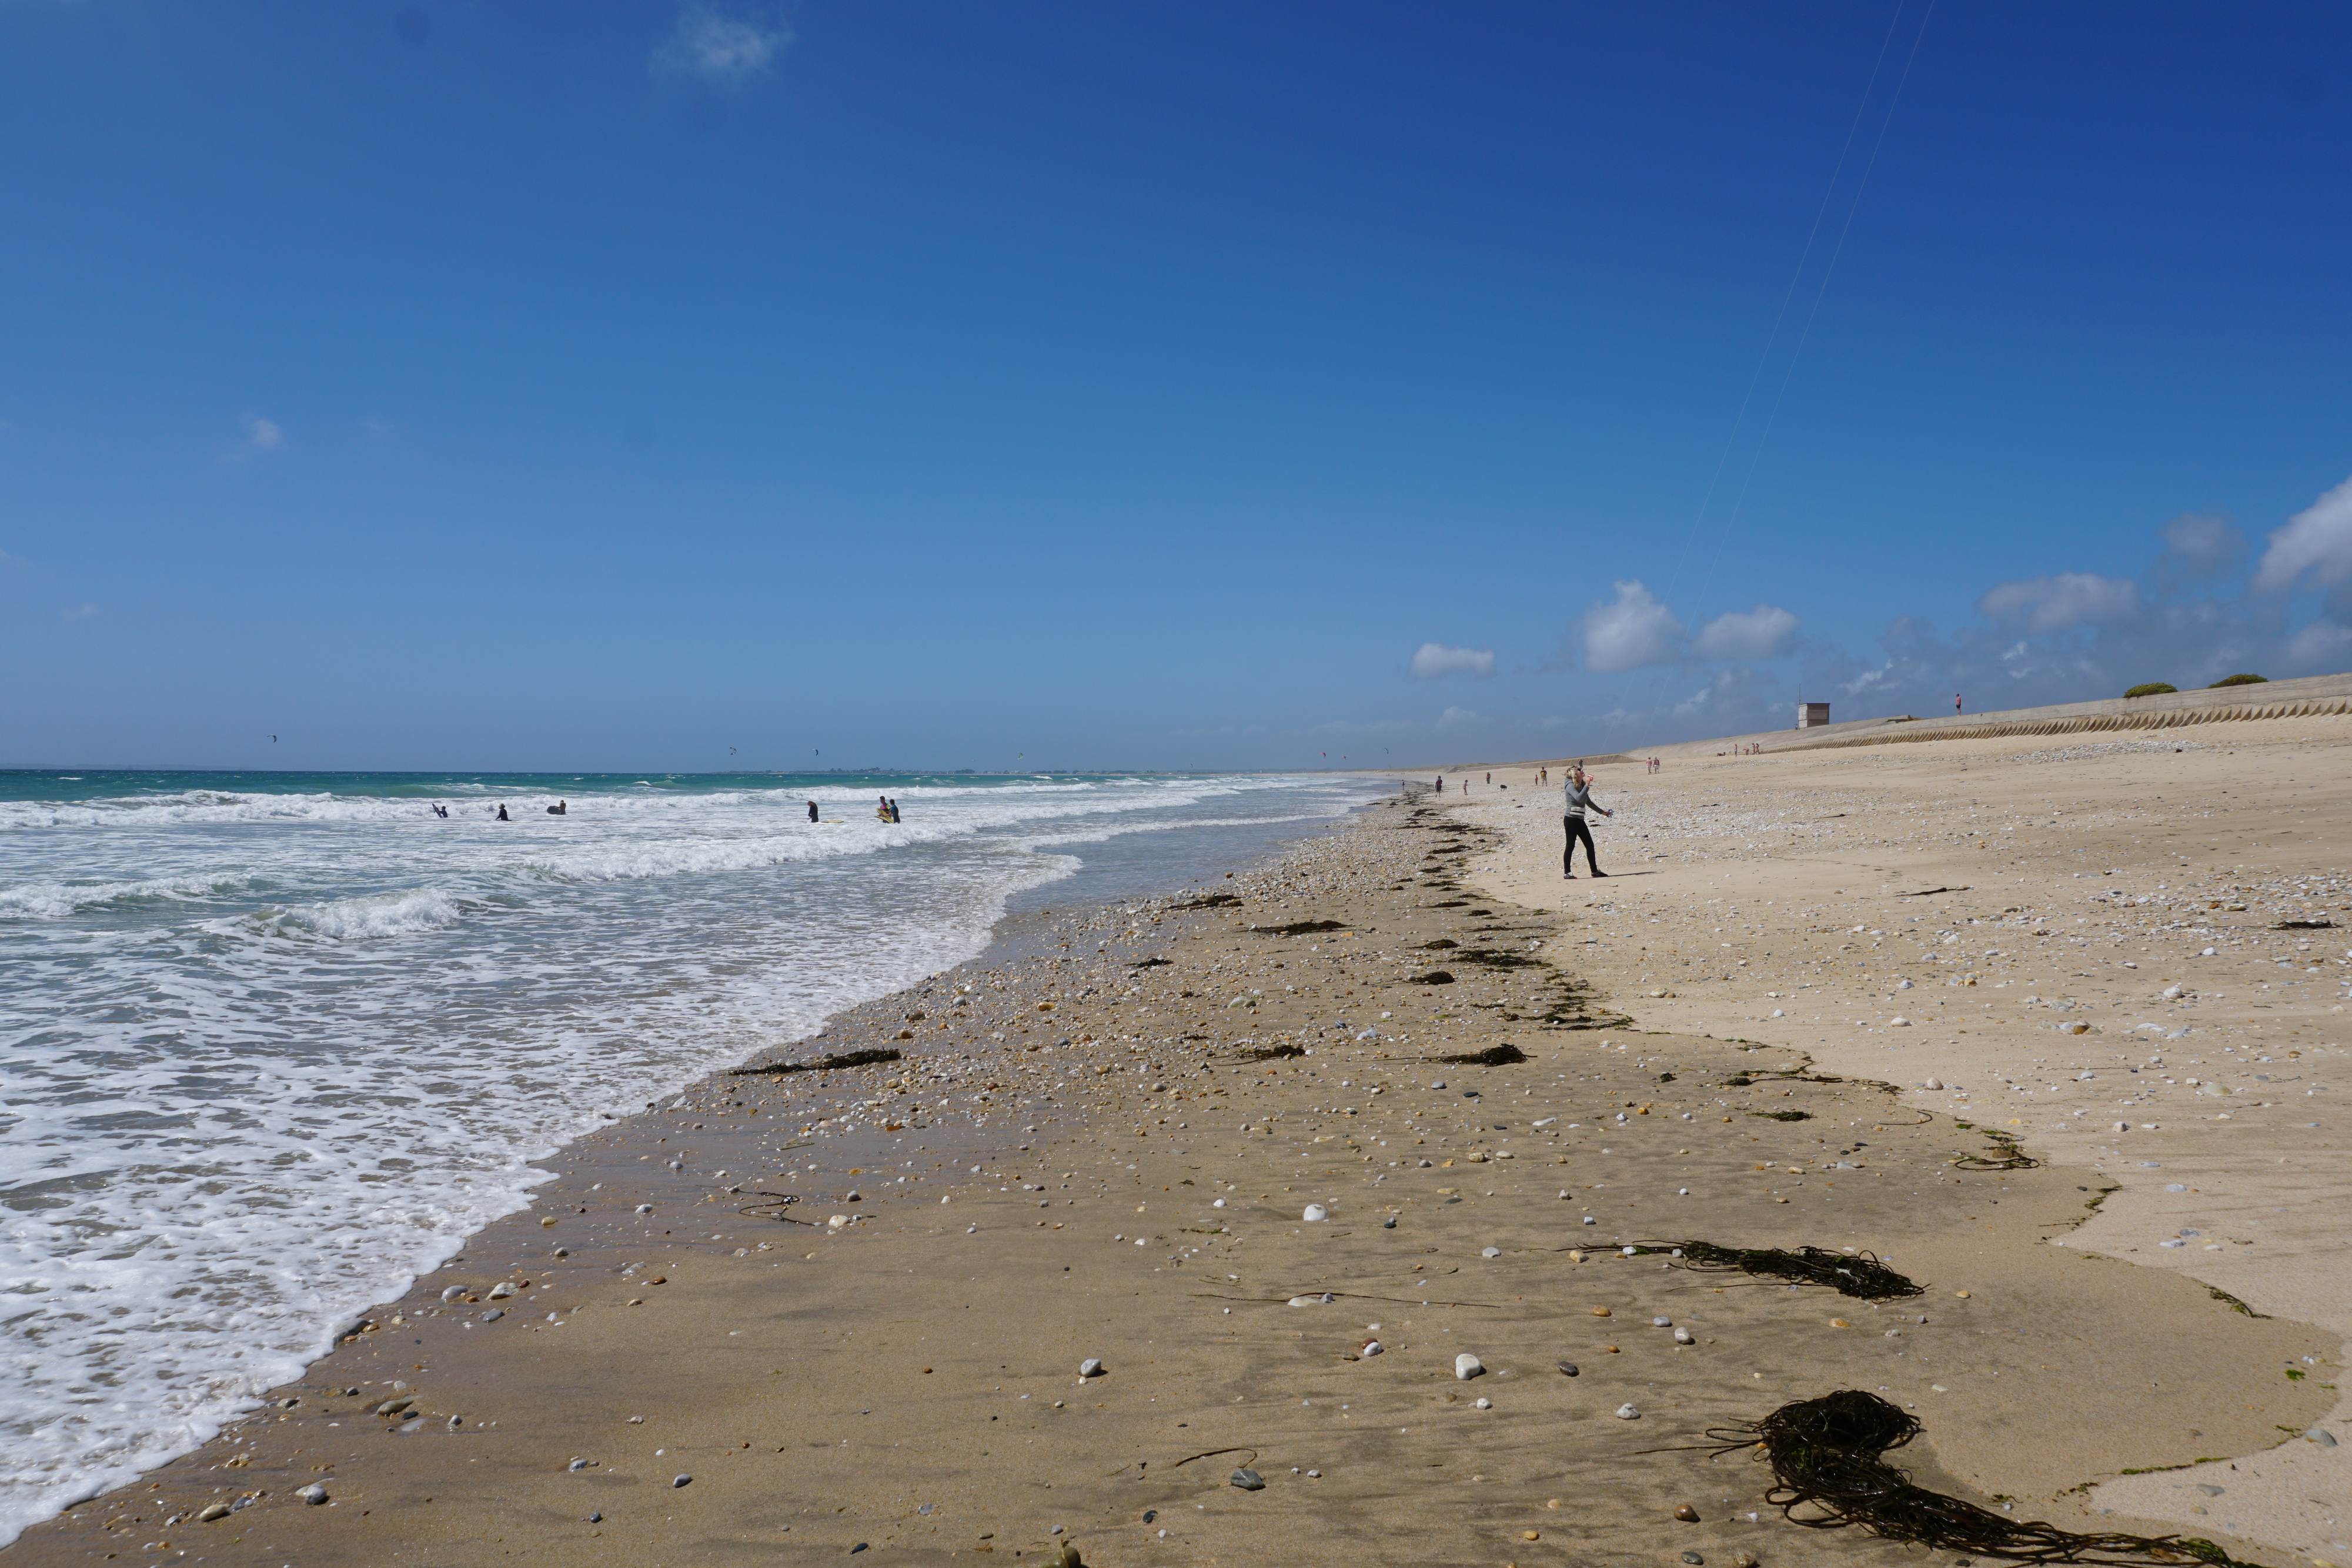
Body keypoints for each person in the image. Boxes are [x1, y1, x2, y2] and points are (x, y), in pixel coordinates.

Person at [1562, 765, 1613, 878]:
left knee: (1590, 845)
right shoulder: (1570, 785)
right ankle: (1567, 872)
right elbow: (1579, 798)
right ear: (1575, 774)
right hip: (1571, 820)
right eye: (1579, 770)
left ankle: (1594, 871)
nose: (1582, 771)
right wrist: (1587, 785)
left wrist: (1602, 812)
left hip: (1580, 820)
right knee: (1570, 846)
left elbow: (1588, 802)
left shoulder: (1580, 785)